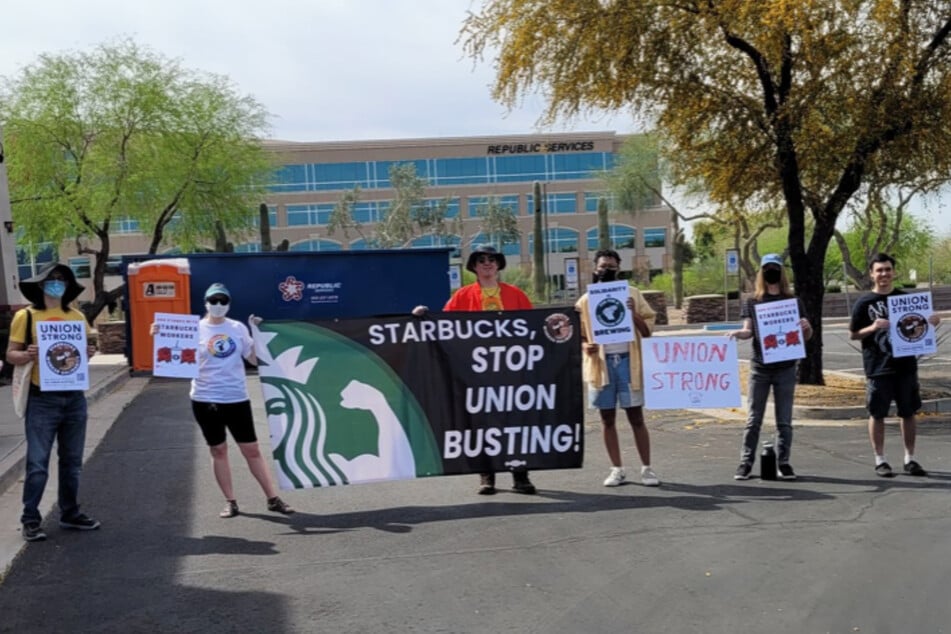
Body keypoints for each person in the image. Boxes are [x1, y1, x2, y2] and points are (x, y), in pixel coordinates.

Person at [152, 283, 294, 517]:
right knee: (218, 449)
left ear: (229, 304)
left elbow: (253, 360)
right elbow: (171, 358)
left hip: (236, 397)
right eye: (214, 300)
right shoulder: (192, 329)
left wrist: (258, 335)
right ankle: (231, 501)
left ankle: (273, 498)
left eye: (223, 301)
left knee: (252, 449)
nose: (218, 305)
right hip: (204, 398)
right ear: (206, 302)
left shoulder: (237, 328)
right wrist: (160, 336)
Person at [414, 245, 536, 495]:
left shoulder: (516, 295)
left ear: (499, 265)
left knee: (514, 422)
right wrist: (424, 315)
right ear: (475, 267)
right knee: (481, 423)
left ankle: (520, 474)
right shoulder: (462, 296)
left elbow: (534, 327)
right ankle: (486, 476)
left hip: (510, 370)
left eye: (492, 259)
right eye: (482, 260)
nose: (487, 264)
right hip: (476, 372)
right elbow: (444, 325)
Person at [6, 263, 100, 542]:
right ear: (41, 284)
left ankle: (70, 512)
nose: (56, 283)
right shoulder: (27, 317)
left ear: (68, 285)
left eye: (61, 279)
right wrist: (28, 355)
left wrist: (89, 351)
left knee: (72, 461)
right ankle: (30, 518)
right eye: (51, 279)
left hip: (73, 398)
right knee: (37, 462)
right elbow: (11, 354)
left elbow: (84, 351)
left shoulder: (76, 316)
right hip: (42, 399)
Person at [849, 253, 940, 478]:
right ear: (871, 273)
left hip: (906, 366)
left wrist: (931, 324)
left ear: (894, 272)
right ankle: (880, 459)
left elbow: (918, 331)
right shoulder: (864, 302)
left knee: (908, 412)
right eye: (879, 270)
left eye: (888, 269)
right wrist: (871, 328)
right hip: (878, 367)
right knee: (877, 413)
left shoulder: (906, 300)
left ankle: (910, 458)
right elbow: (854, 334)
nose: (884, 274)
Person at [575, 249, 659, 488]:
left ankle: (647, 468)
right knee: (607, 418)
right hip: (600, 365)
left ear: (619, 269)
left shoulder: (633, 294)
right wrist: (585, 346)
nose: (607, 270)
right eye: (603, 266)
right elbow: (577, 335)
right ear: (595, 269)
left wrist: (632, 314)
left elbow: (648, 331)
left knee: (636, 417)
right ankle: (617, 468)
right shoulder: (585, 301)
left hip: (628, 362)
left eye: (612, 266)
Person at [729, 254, 813, 481]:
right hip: (760, 368)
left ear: (781, 271)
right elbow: (748, 330)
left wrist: (806, 327)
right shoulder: (753, 301)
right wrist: (738, 333)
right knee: (753, 419)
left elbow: (805, 336)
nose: (771, 272)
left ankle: (783, 462)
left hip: (785, 367)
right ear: (761, 272)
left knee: (784, 420)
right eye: (767, 268)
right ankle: (746, 462)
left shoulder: (793, 302)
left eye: (775, 268)